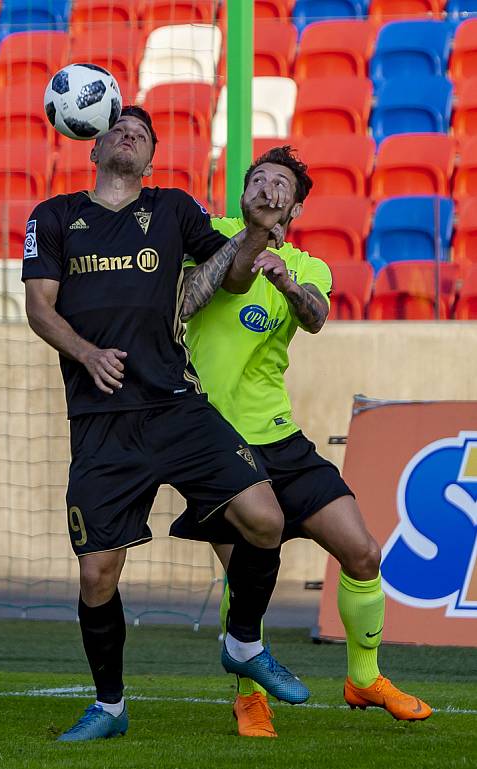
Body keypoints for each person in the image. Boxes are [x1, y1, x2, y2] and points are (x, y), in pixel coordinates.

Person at [22, 108, 310, 742]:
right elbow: (39, 309)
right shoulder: (51, 216)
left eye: (143, 134)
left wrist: (258, 234)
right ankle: (110, 706)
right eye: (119, 128)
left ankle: (241, 643)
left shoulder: (175, 208)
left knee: (266, 518)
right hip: (101, 422)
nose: (130, 135)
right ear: (92, 145)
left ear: (150, 158)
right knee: (97, 572)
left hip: (177, 406)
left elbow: (232, 278)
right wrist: (88, 353)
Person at [171, 145, 432, 738]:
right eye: (256, 179)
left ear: (297, 204)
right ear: (242, 195)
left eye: (279, 183)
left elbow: (315, 316)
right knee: (246, 578)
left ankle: (363, 678)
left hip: (280, 437)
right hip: (214, 440)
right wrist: (247, 247)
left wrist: (286, 281)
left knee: (363, 552)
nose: (266, 187)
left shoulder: (310, 267)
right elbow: (187, 291)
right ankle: (249, 696)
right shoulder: (214, 235)